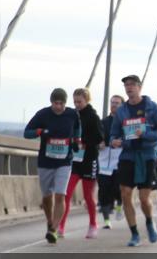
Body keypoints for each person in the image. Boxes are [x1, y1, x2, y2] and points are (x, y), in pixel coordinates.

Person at [109, 74, 157, 247]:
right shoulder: (121, 111)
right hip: (128, 155)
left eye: (132, 84)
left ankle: (149, 222)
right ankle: (134, 233)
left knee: (143, 198)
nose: (129, 88)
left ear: (139, 87)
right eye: (126, 85)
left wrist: (146, 134)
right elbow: (113, 133)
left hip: (147, 155)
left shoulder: (152, 107)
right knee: (125, 194)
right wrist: (114, 141)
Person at [24, 88, 81, 244]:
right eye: (55, 103)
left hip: (64, 161)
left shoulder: (71, 114)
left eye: (61, 103)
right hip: (46, 161)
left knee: (60, 194)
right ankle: (50, 221)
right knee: (47, 196)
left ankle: (54, 229)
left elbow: (77, 128)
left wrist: (76, 140)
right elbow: (26, 133)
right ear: (51, 102)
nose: (58, 106)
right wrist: (40, 131)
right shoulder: (43, 114)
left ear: (65, 103)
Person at [59, 88, 104, 238]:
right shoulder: (71, 115)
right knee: (66, 195)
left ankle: (93, 224)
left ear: (87, 100)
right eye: (75, 102)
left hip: (89, 160)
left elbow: (99, 138)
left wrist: (84, 143)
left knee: (88, 197)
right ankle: (60, 227)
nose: (77, 104)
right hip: (74, 161)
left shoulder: (93, 116)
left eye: (80, 102)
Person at [97, 94, 124, 228]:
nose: (114, 105)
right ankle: (107, 220)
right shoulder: (103, 122)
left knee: (118, 188)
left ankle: (120, 204)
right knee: (103, 190)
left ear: (122, 105)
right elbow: (96, 139)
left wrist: (121, 142)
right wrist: (99, 143)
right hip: (104, 162)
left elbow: (131, 139)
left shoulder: (125, 122)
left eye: (117, 103)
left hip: (119, 161)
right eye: (112, 102)